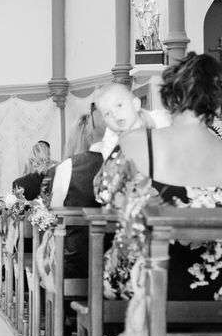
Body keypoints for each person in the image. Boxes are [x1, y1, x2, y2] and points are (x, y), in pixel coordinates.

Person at [96, 53, 222, 301]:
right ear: (215, 102)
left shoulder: (136, 142)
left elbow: (104, 195)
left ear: (170, 96)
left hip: (149, 281)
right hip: (214, 286)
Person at [48, 105, 106, 277]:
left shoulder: (69, 166)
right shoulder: (127, 163)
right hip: (124, 263)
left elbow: (54, 213)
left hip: (78, 261)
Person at [94, 82, 171, 158]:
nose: (114, 114)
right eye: (107, 113)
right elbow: (109, 162)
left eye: (119, 105)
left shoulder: (158, 118)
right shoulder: (111, 136)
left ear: (135, 105)